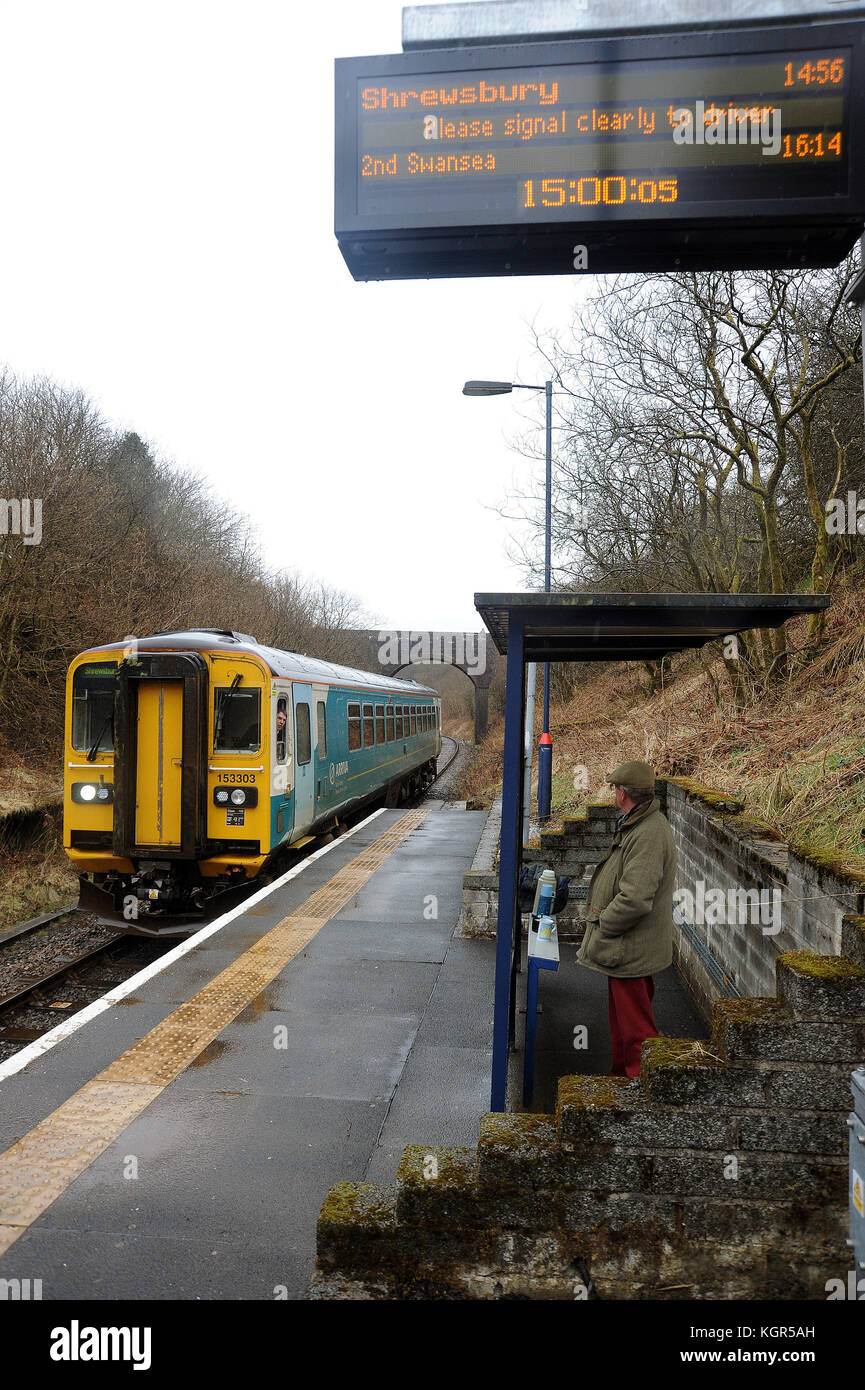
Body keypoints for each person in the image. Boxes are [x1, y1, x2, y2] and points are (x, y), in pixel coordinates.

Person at [577, 761, 676, 1078]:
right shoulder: (641, 825)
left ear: (623, 793)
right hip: (627, 948)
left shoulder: (647, 833)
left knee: (636, 1032)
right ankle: (621, 1082)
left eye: (615, 788)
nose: (614, 794)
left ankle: (641, 1091)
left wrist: (604, 924)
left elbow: (635, 899)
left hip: (629, 948)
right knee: (623, 1024)